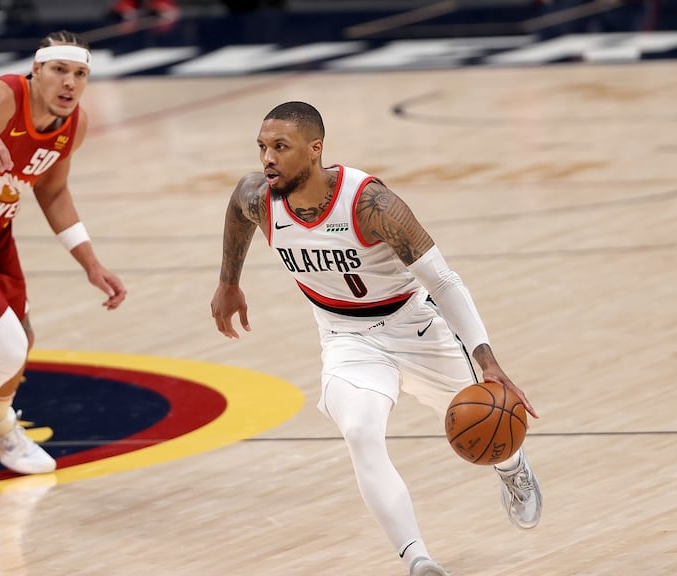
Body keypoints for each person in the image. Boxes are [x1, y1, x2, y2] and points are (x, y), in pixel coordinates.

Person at [209, 101, 543, 576]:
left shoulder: (371, 204)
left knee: (491, 423)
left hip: (415, 327)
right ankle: (418, 559)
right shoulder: (257, 196)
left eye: (280, 147)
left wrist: (487, 363)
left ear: (315, 150)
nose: (268, 158)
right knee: (361, 433)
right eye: (262, 147)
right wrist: (228, 283)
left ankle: (512, 469)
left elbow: (444, 282)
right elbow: (236, 213)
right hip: (346, 337)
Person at [0, 30, 127, 489]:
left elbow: (53, 190)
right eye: (60, 71)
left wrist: (90, 262)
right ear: (36, 71)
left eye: (80, 74)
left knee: (21, 338)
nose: (70, 83)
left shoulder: (74, 124)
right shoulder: (3, 98)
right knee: (5, 345)